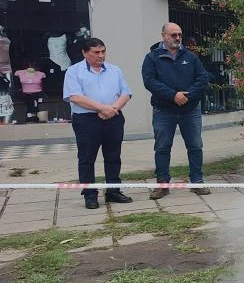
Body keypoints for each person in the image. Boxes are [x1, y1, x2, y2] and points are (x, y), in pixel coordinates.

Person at [142, 22, 211, 199]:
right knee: (162, 147)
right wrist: (173, 95)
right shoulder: (152, 58)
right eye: (173, 35)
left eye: (179, 34)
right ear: (163, 35)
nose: (178, 38)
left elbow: (202, 78)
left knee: (195, 146)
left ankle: (197, 182)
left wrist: (187, 95)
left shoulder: (191, 56)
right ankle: (162, 185)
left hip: (190, 110)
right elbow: (150, 82)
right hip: (164, 110)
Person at [63, 38, 133, 209]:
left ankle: (113, 191)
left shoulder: (114, 70)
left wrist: (113, 109)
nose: (100, 55)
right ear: (84, 53)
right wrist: (102, 108)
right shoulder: (74, 71)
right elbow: (75, 97)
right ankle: (90, 194)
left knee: (113, 156)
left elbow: (126, 93)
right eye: (96, 52)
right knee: (87, 158)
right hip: (87, 120)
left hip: (113, 117)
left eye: (103, 51)